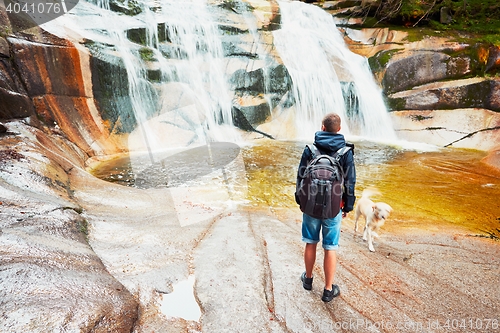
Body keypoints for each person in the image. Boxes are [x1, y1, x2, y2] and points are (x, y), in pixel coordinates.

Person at [296, 112, 356, 302]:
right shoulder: (345, 153)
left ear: (322, 127)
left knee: (310, 242)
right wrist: (348, 206)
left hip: (310, 206)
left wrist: (301, 201)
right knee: (330, 247)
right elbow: (350, 183)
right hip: (334, 207)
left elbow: (300, 177)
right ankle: (328, 290)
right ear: (339, 130)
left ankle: (308, 279)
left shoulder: (310, 150)